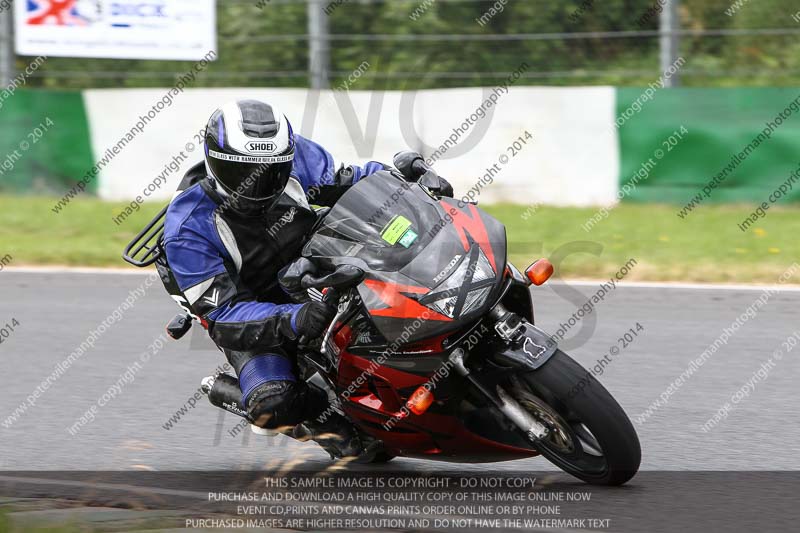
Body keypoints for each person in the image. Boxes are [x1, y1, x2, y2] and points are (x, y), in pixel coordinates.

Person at [162, 99, 449, 458]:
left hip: (321, 266)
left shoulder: (299, 158)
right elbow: (223, 316)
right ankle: (323, 420)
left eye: (272, 171)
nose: (258, 185)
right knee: (275, 405)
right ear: (215, 162)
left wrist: (411, 188)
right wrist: (294, 319)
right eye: (244, 174)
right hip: (255, 309)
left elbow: (357, 183)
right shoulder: (188, 228)